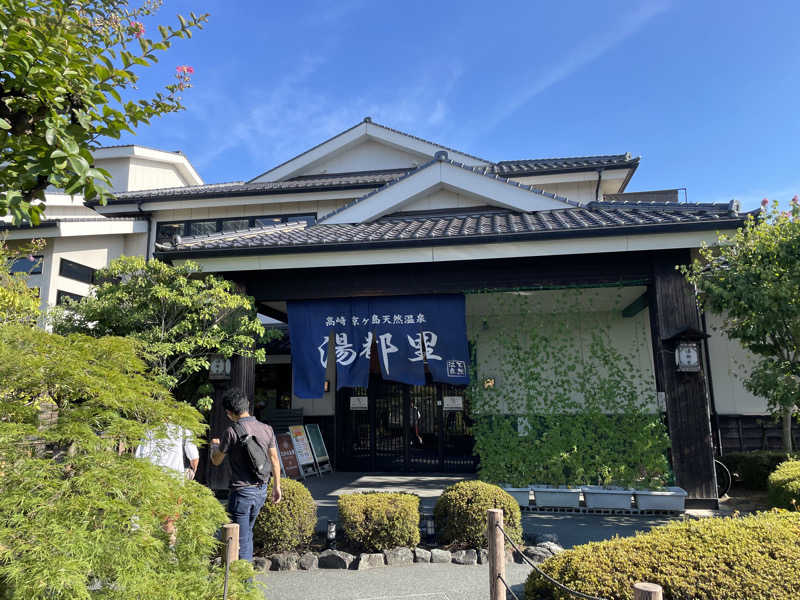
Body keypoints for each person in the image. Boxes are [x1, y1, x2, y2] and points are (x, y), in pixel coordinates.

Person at [210, 387, 282, 562]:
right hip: (261, 490)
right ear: (247, 405)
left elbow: (216, 460)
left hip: (241, 492)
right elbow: (274, 459)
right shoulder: (266, 429)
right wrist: (277, 487)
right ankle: (245, 579)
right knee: (247, 534)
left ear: (229, 413)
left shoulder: (231, 432)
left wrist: (214, 447)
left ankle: (245, 583)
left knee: (239, 540)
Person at [135, 423, 200, 480]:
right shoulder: (185, 431)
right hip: (176, 480)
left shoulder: (150, 429)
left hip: (153, 479)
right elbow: (194, 458)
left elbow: (140, 457)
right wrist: (192, 472)